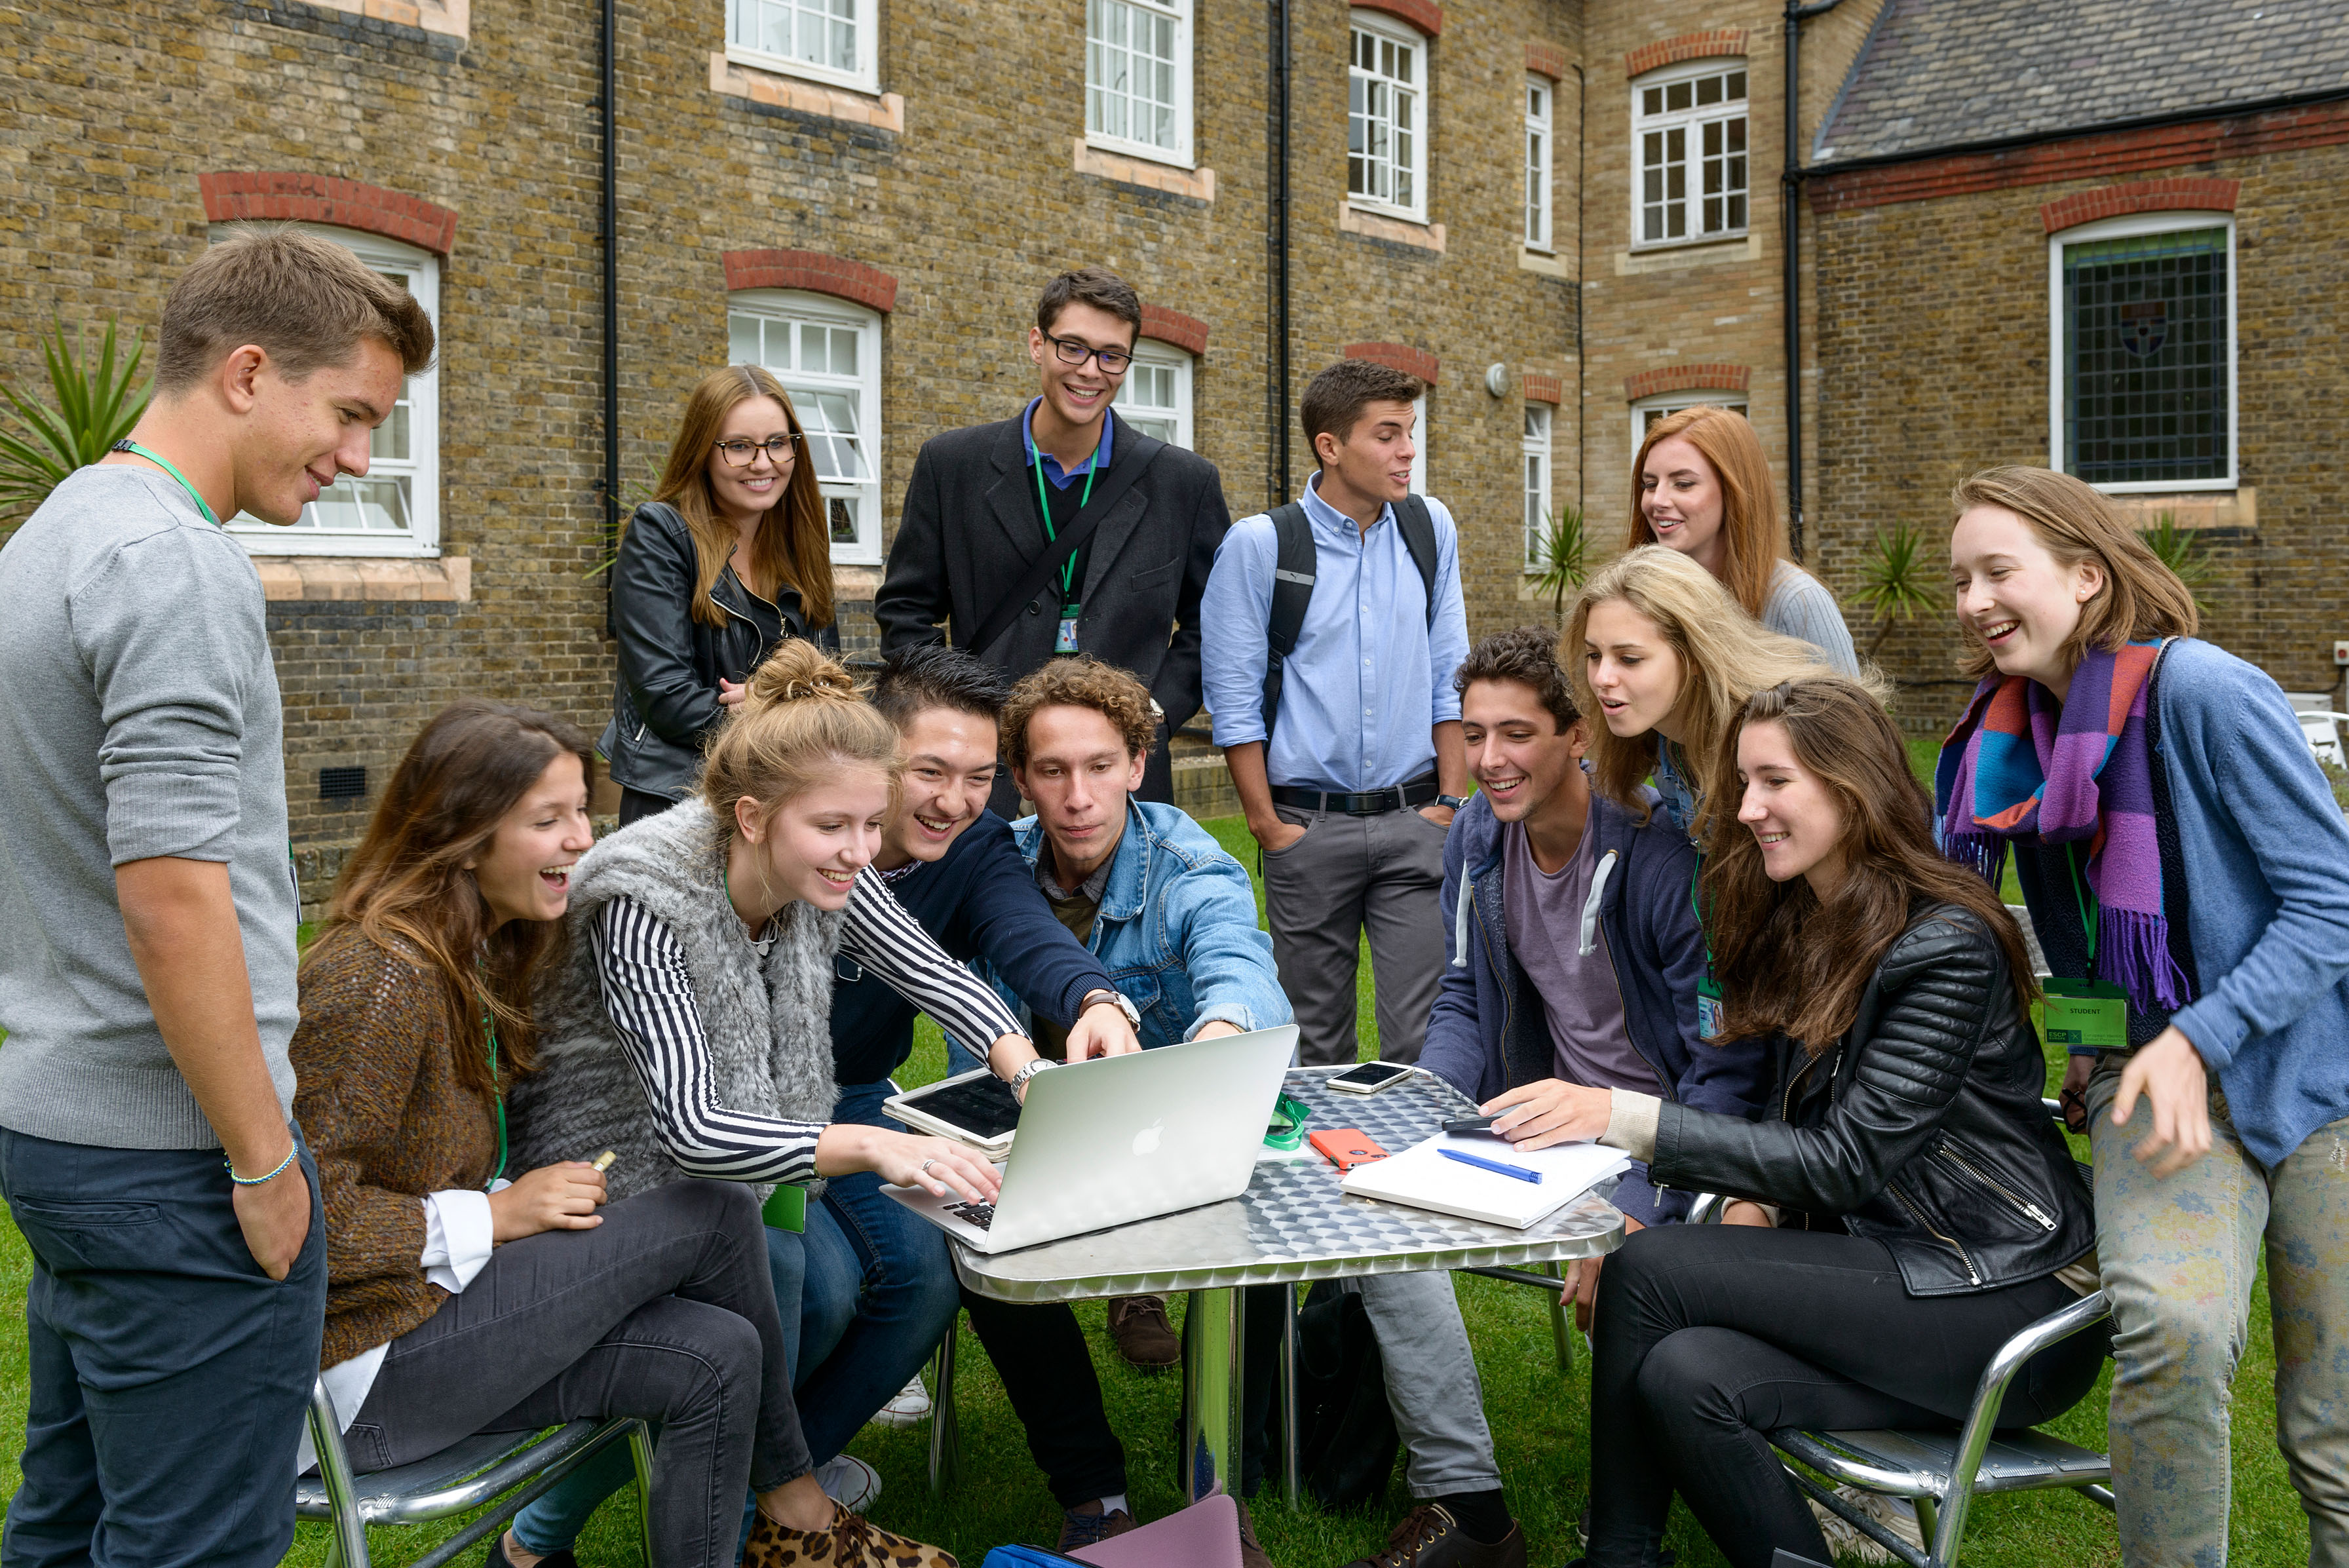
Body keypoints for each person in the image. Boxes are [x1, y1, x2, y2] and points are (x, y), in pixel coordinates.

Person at [505, 643, 1141, 1557]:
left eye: (868, 826)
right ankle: (553, 1536)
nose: (863, 852)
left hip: (775, 1134)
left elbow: (928, 970)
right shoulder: (646, 893)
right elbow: (687, 1126)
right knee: (798, 1296)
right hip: (624, 1164)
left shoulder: (824, 856)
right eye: (840, 828)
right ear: (755, 817)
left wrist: (1030, 1071)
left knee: (915, 1267)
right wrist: (880, 1148)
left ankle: (778, 1495)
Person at [0, 226, 430, 1567]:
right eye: (350, 411)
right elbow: (173, 895)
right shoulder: (173, 563)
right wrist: (261, 1156)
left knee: (68, 1529)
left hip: (65, 1138)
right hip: (179, 1157)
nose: (360, 456)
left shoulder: (53, 532)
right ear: (247, 372)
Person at [1496, 676, 2103, 1568]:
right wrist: (1757, 1206)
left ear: (1849, 785)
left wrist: (1622, 1118)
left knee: (1651, 1265)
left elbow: (1847, 1160)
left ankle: (1620, 1557)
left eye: (1774, 782)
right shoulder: (1808, 921)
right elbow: (1795, 1114)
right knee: (1684, 1374)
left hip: (2004, 1299)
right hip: (1892, 1274)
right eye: (1743, 784)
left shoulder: (1945, 942)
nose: (1746, 810)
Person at [289, 700, 911, 1568]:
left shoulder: (481, 954)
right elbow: (300, 1222)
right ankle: (798, 1508)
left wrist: (497, 1204)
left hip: (439, 1312)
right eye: (549, 820)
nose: (584, 840)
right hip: (364, 1374)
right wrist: (494, 1218)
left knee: (718, 1352)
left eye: (585, 809)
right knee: (714, 1211)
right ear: (464, 836)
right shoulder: (379, 978)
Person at [1937, 466, 2349, 1563]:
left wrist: (2195, 1035)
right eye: (1959, 579)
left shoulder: (2205, 692)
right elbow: (2076, 940)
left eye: (1997, 572)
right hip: (2153, 1083)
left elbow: (2331, 897)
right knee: (2170, 1328)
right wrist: (2089, 1055)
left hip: (2322, 1082)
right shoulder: (2013, 742)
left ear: (2085, 574)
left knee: (2333, 1437)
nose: (1973, 601)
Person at [1423, 628, 1770, 1333]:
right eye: (1474, 734)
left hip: (1660, 1136)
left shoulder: (1661, 854)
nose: (1489, 761)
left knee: (1636, 1293)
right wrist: (1422, 1112)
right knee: (1371, 1235)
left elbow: (1722, 1066)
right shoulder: (1476, 833)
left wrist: (1640, 1200)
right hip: (1544, 1128)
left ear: (1578, 733)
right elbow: (1461, 994)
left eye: (1517, 734)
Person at [875, 265, 1231, 813]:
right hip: (984, 771)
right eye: (1073, 348)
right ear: (1037, 344)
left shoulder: (1184, 482)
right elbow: (906, 610)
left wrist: (1154, 712)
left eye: (1112, 355)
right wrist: (954, 720)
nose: (1091, 371)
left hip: (1119, 776)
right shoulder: (952, 465)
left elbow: (1217, 623)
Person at [1200, 356, 1473, 1067]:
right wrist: (1267, 824)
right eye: (1387, 435)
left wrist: (1450, 798)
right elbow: (1232, 701)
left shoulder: (1429, 526)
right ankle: (1329, 1177)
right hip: (1306, 828)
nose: (1407, 450)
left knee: (1429, 1036)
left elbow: (1451, 668)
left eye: (1410, 432)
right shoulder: (1262, 545)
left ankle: (1421, 1178)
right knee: (1315, 1043)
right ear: (1331, 446)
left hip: (1418, 823)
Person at [603, 363, 841, 826]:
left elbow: (827, 679)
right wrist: (784, 710)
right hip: (681, 799)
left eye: (777, 443)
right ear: (703, 451)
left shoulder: (802, 543)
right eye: (738, 446)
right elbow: (666, 696)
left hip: (781, 795)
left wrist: (767, 704)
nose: (762, 462)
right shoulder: (662, 533)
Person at [1568, 544, 1837, 843]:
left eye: (1629, 659)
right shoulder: (1656, 734)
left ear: (1694, 655)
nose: (1602, 678)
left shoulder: (1772, 732)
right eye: (1594, 655)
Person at [1627, 404, 1859, 674]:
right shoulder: (1640, 595)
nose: (1658, 501)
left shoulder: (1798, 602)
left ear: (1734, 491)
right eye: (1650, 484)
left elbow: (1849, 715)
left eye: (1684, 484)